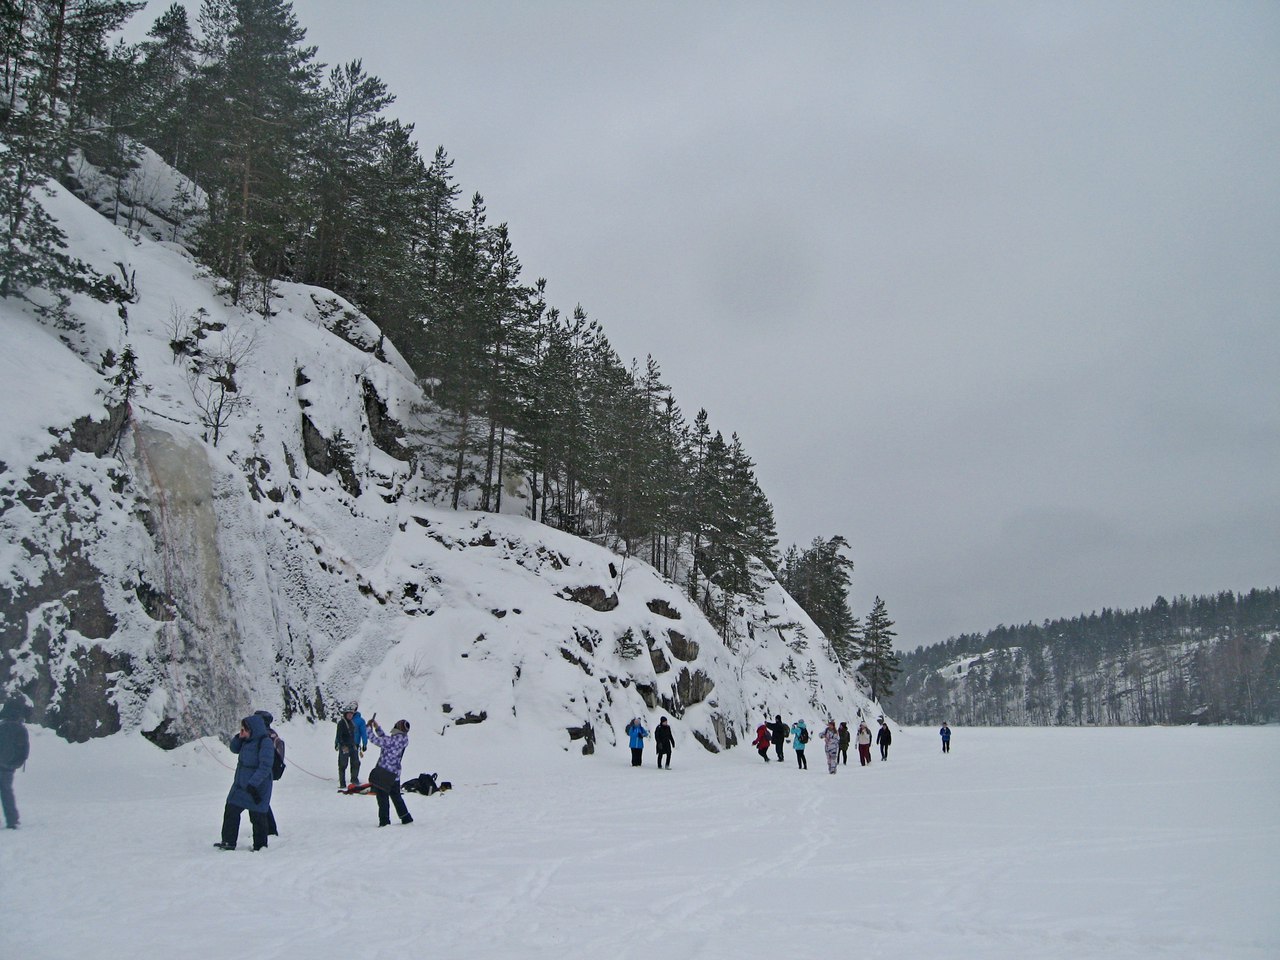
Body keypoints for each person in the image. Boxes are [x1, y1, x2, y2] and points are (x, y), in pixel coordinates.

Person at [215, 713, 275, 851]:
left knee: (257, 816)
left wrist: (253, 783)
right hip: (241, 784)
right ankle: (228, 842)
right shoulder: (247, 740)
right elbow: (233, 748)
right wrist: (239, 737)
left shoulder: (265, 742)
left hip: (257, 786)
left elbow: (265, 766)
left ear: (253, 729)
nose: (242, 731)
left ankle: (260, 846)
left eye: (244, 729)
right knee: (231, 809)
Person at [367, 718, 414, 827]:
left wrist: (367, 728)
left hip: (384, 774)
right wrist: (377, 728)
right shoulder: (403, 739)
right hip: (395, 774)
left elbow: (374, 739)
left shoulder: (392, 741)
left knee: (382, 798)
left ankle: (384, 822)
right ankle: (406, 817)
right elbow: (385, 740)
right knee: (396, 796)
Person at [0, 700, 30, 830]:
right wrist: (18, 762)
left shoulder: (1, 727)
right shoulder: (21, 729)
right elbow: (25, 749)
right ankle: (12, 820)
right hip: (9, 766)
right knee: (7, 792)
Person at [255, 709, 283, 837]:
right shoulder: (272, 734)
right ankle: (268, 828)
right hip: (268, 772)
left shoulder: (263, 736)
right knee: (261, 800)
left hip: (263, 772)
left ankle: (269, 829)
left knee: (260, 800)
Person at [335, 705, 361, 789]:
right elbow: (339, 736)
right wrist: (342, 745)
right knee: (343, 764)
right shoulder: (341, 723)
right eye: (349, 714)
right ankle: (342, 783)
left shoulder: (351, 723)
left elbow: (353, 736)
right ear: (345, 714)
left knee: (356, 763)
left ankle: (354, 780)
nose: (350, 715)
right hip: (344, 747)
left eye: (351, 714)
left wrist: (356, 745)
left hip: (352, 746)